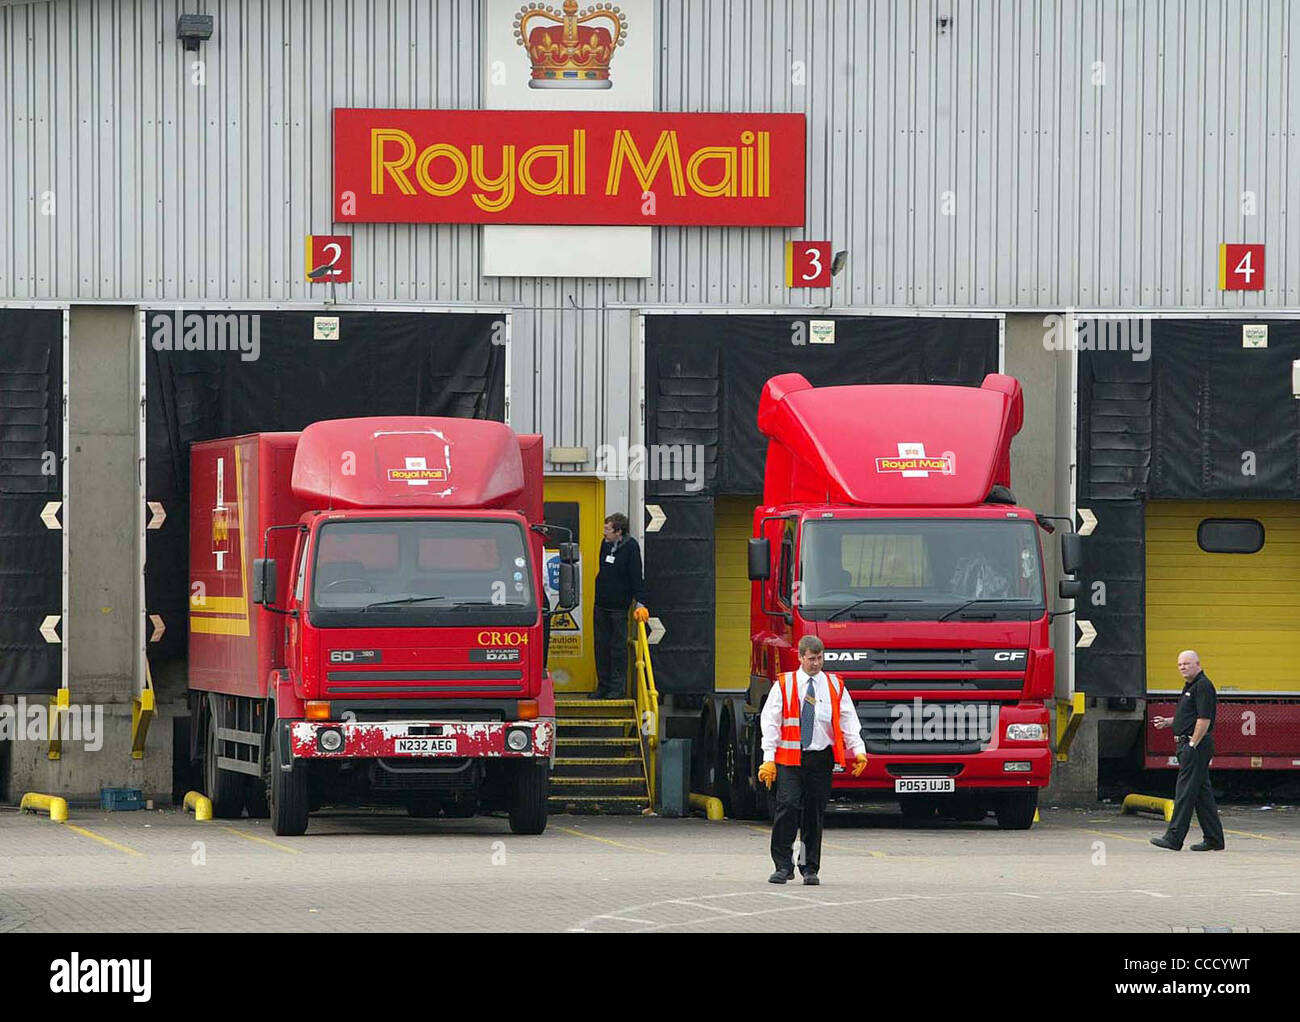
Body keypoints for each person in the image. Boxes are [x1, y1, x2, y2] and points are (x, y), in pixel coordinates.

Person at [757, 635, 868, 884]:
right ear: (800, 657)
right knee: (787, 808)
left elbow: (848, 719)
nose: (816, 664)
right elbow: (771, 722)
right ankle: (783, 866)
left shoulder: (834, 686)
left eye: (819, 658)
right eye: (811, 659)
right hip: (789, 758)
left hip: (820, 759)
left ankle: (809, 867)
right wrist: (768, 758)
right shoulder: (785, 685)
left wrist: (858, 750)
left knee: (813, 814)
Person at [1150, 650, 1226, 852]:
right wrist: (1168, 722)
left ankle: (1174, 838)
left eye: (1186, 663)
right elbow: (1190, 716)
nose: (1182, 667)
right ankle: (1214, 839)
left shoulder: (1203, 686)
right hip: (1191, 745)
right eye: (1180, 664)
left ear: (1198, 664)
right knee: (1202, 794)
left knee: (1184, 793)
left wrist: (1192, 744)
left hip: (1195, 746)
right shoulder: (1190, 687)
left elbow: (1204, 719)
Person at [592, 512, 648, 700]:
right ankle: (603, 686)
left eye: (607, 529)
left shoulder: (631, 547)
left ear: (618, 531)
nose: (604, 532)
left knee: (617, 649)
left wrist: (640, 601)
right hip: (601, 604)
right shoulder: (605, 545)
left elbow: (635, 576)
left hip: (618, 607)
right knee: (601, 647)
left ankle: (616, 689)